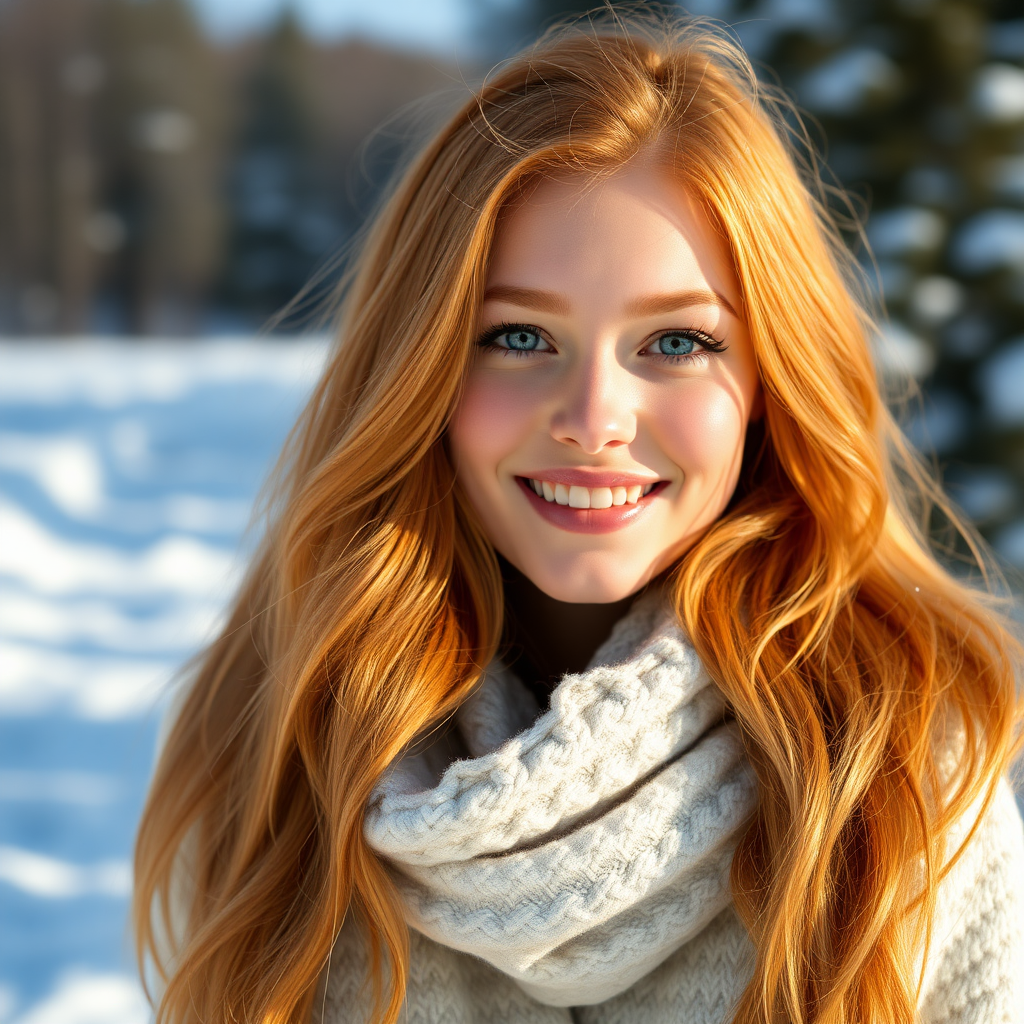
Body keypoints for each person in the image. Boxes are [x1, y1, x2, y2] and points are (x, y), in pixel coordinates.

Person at [132, 12, 1024, 1024]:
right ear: (420, 364)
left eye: (676, 342)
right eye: (518, 334)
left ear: (773, 376)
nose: (595, 418)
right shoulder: (286, 746)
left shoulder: (895, 771)